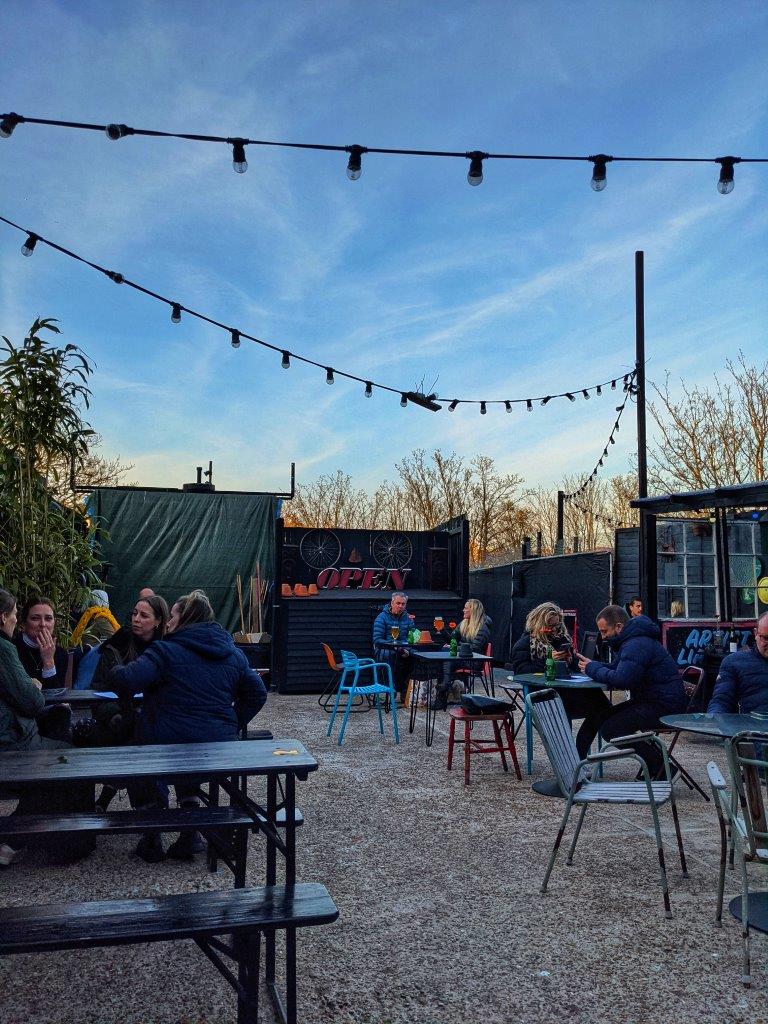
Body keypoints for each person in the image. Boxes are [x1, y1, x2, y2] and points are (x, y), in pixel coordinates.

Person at [110, 589, 267, 862]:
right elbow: (258, 693)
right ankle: (190, 830)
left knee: (138, 748)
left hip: (167, 747)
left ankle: (153, 834)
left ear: (185, 619)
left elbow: (128, 680)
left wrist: (113, 670)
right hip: (218, 749)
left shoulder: (166, 650)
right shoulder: (233, 653)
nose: (168, 622)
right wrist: (231, 723)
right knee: (188, 743)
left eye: (172, 616)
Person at [75, 594, 169, 812]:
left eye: (144, 615)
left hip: (153, 725)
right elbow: (99, 691)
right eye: (134, 613)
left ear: (158, 621)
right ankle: (150, 815)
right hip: (116, 724)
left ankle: (115, 798)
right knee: (133, 741)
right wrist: (115, 717)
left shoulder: (167, 650)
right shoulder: (116, 646)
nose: (136, 619)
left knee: (139, 741)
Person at [0, 588, 73, 866]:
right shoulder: (11, 647)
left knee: (62, 721)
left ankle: (57, 834)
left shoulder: (60, 652)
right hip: (17, 732)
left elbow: (58, 696)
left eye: (49, 619)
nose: (42, 625)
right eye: (34, 619)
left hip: (29, 722)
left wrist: (49, 662)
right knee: (65, 761)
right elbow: (30, 700)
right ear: (19, 622)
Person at [576, 604, 687, 777]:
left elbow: (622, 679)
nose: (603, 637)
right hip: (655, 699)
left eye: (605, 631)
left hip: (664, 705)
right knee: (598, 715)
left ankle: (661, 768)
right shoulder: (632, 640)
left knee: (611, 729)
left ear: (619, 627)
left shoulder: (636, 644)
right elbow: (617, 668)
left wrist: (593, 669)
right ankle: (578, 765)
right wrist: (592, 666)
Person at [510, 601, 610, 741]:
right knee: (567, 707)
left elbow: (575, 668)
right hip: (544, 694)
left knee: (600, 703)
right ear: (539, 624)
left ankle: (580, 750)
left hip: (567, 690)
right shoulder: (526, 643)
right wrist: (548, 662)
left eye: (557, 625)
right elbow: (521, 672)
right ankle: (571, 753)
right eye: (550, 626)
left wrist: (571, 659)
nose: (554, 629)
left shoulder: (562, 638)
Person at [707, 611, 768, 715]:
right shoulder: (734, 662)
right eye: (766, 638)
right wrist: (716, 721)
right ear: (755, 634)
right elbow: (721, 701)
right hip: (751, 729)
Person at [372, 591, 413, 700]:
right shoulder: (382, 617)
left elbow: (413, 636)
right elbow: (377, 639)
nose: (400, 606)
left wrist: (407, 650)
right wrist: (396, 647)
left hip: (404, 649)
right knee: (392, 656)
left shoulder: (408, 618)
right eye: (398, 603)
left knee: (416, 656)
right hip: (385, 649)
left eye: (403, 604)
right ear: (392, 603)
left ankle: (406, 690)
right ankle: (393, 688)